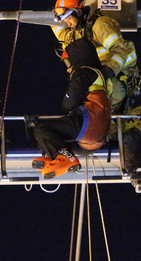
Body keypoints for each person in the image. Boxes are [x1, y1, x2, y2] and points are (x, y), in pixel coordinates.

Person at [32, 38, 112, 179]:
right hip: (95, 137)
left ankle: (65, 158)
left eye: (68, 62)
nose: (68, 68)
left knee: (41, 129)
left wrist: (67, 102)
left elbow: (70, 102)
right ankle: (52, 157)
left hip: (87, 123)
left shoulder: (85, 72)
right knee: (51, 134)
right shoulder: (99, 74)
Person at [51, 0, 137, 113]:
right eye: (64, 20)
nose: (68, 23)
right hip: (96, 77)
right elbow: (58, 31)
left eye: (69, 18)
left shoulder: (101, 25)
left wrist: (111, 69)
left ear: (79, 13)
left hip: (116, 75)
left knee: (104, 94)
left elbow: (120, 50)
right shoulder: (75, 34)